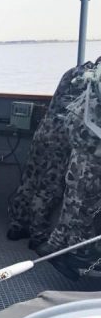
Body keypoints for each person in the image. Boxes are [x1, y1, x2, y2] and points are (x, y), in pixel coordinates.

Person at [6, 62, 94, 248]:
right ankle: (38, 236)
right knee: (49, 188)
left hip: (45, 130)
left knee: (29, 179)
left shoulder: (75, 71)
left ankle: (17, 225)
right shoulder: (95, 82)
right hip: (62, 138)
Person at [35, 60, 101, 279]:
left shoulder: (91, 74)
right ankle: (74, 256)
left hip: (84, 150)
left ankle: (58, 247)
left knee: (75, 204)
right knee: (82, 208)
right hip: (90, 154)